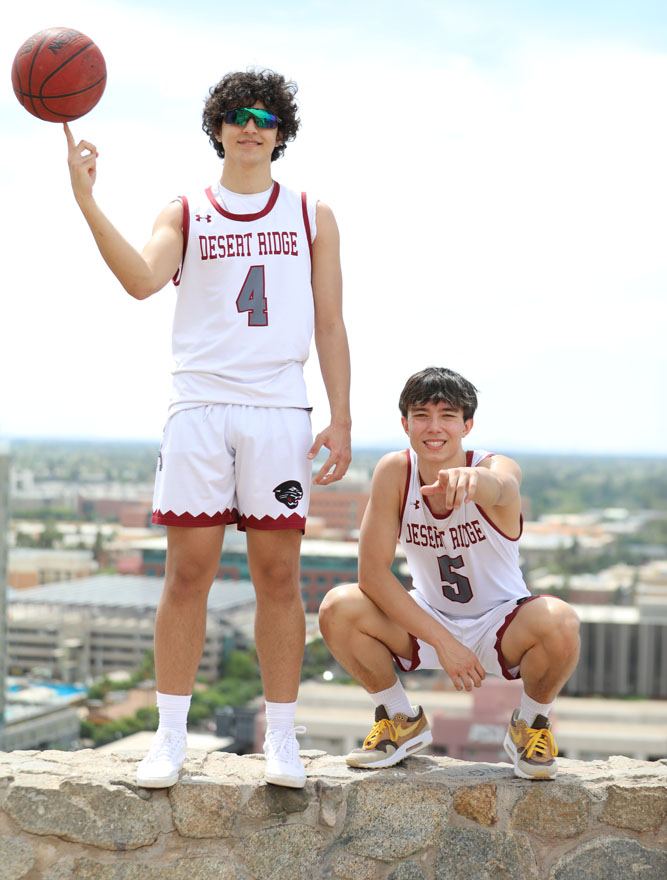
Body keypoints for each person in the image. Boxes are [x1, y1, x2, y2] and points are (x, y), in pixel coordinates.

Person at [65, 69, 351, 789]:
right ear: (216, 128)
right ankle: (168, 736)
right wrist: (86, 199)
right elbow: (138, 280)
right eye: (234, 114)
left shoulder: (312, 212)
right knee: (187, 573)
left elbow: (328, 321)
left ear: (280, 132)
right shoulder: (187, 210)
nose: (249, 125)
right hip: (199, 406)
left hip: (278, 408)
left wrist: (342, 415)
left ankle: (281, 737)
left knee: (278, 577)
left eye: (263, 115)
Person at [319, 367, 579, 780]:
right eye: (421, 415)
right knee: (339, 606)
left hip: (502, 622)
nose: (434, 427)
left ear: (467, 425)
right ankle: (399, 720)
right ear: (405, 424)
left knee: (561, 620)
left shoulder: (494, 467)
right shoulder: (395, 472)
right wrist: (442, 641)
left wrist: (477, 482)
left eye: (447, 415)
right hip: (429, 619)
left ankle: (532, 725)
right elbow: (372, 574)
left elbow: (506, 488)